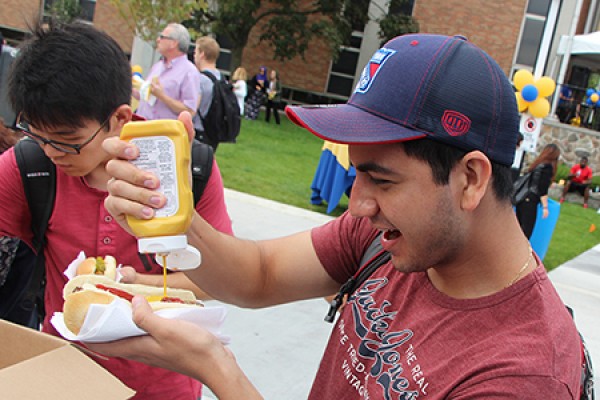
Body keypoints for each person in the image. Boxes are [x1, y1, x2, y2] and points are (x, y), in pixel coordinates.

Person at [91, 34, 582, 399]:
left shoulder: (522, 377)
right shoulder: (388, 237)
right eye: (355, 173)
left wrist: (216, 369)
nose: (359, 204)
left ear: (471, 179)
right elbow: (259, 275)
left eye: (382, 180)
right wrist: (170, 209)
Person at [1, 21, 233, 400]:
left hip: (163, 383)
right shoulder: (31, 166)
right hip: (57, 375)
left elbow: (216, 283)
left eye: (69, 142)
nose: (52, 153)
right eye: (39, 136)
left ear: (121, 118)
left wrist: (126, 286)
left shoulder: (188, 168)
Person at [134, 23, 200, 122]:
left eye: (162, 37)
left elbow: (189, 110)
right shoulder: (158, 66)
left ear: (174, 43)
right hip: (141, 127)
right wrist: (133, 87)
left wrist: (162, 96)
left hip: (162, 133)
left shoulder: (189, 72)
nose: (158, 40)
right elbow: (148, 98)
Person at [515, 144, 560, 238]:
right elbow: (542, 189)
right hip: (531, 199)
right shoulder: (547, 168)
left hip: (523, 198)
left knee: (519, 228)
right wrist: (545, 207)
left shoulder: (538, 165)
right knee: (526, 231)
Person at [192, 36, 222, 152]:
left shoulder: (199, 79)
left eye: (195, 52)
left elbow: (192, 109)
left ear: (202, 54)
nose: (194, 56)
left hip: (198, 132)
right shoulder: (221, 79)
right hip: (213, 134)